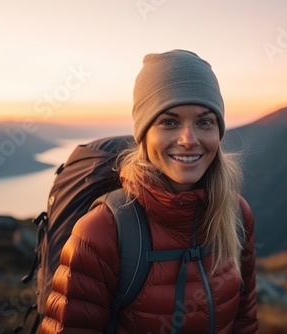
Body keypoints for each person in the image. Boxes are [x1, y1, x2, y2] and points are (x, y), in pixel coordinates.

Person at [39, 49, 258, 333]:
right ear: (144, 134)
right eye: (169, 122)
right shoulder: (102, 231)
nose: (189, 140)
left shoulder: (236, 214)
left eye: (205, 121)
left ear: (218, 131)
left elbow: (245, 321)